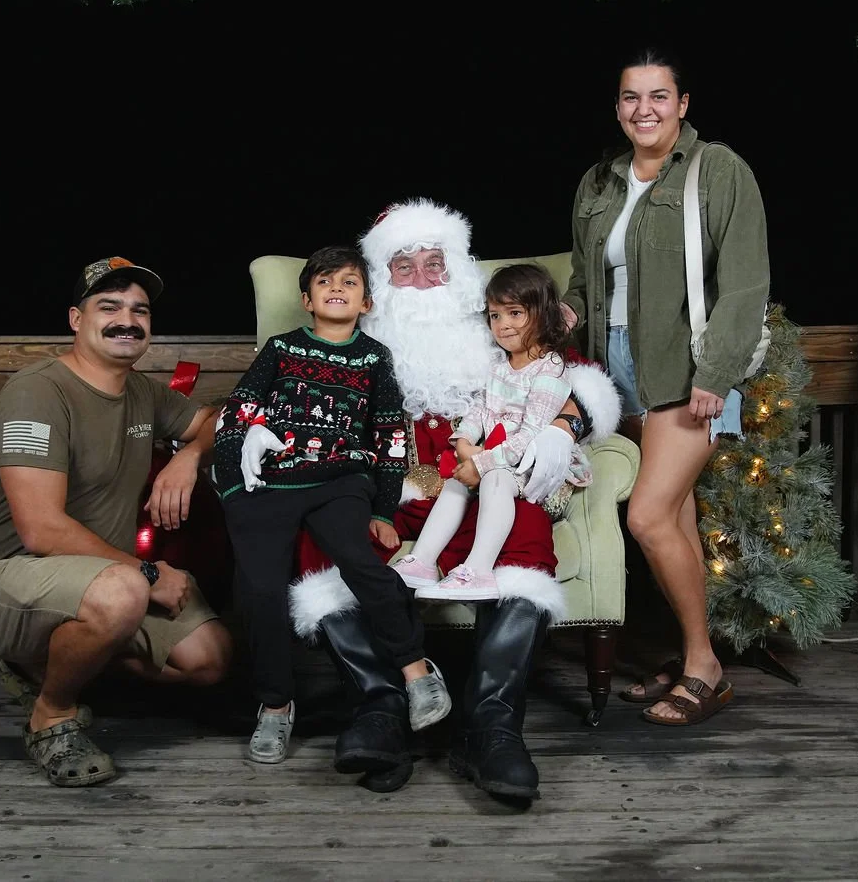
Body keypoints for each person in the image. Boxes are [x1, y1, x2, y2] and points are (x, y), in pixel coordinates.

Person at [254, 200, 622, 801]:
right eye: (404, 266)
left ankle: (490, 725)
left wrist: (564, 428)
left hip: (483, 477)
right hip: (381, 488)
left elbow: (578, 377)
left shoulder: (497, 326)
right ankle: (381, 710)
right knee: (320, 532)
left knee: (525, 532)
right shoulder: (353, 339)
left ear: (459, 273)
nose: (422, 280)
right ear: (380, 284)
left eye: (435, 264)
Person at [0, 257, 233, 788]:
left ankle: (48, 664)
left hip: (100, 576)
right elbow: (41, 531)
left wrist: (186, 457)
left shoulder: (143, 393)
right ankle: (51, 716)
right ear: (76, 320)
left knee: (209, 660)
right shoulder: (37, 392)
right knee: (124, 592)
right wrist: (150, 575)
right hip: (4, 579)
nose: (127, 319)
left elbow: (215, 422)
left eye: (139, 310)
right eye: (109, 307)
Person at [560, 49, 770, 726]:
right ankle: (688, 654)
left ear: (683, 104)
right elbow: (587, 286)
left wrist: (718, 374)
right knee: (672, 520)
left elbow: (744, 284)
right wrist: (564, 314)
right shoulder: (600, 181)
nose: (642, 109)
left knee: (646, 516)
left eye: (658, 96)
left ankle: (706, 665)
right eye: (630, 97)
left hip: (687, 372)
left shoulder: (719, 171)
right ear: (617, 106)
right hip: (617, 371)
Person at [213, 245, 452, 765]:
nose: (337, 288)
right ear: (307, 298)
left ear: (366, 302)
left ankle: (415, 670)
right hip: (270, 481)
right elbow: (236, 412)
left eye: (349, 281)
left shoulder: (372, 358)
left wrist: (384, 511)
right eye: (325, 281)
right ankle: (275, 704)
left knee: (360, 560)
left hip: (341, 477)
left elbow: (390, 437)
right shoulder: (280, 349)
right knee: (259, 590)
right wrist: (247, 446)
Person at [396, 262, 593, 601]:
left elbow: (531, 432)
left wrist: (483, 462)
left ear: (544, 314)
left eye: (515, 313)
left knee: (494, 479)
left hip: (534, 466)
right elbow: (480, 409)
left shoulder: (550, 370)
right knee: (457, 481)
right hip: (499, 454)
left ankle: (478, 571)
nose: (503, 325)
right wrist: (465, 441)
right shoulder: (498, 366)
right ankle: (423, 562)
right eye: (495, 316)